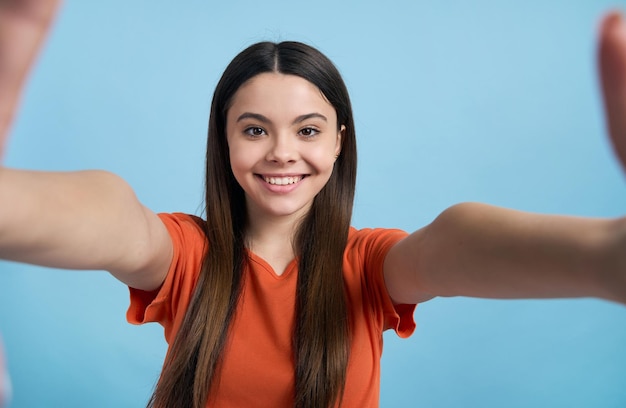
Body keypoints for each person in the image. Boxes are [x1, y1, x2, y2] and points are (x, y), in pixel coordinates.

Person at [1, 1, 625, 407]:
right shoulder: (185, 257)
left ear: (338, 141)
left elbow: (452, 247)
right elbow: (113, 220)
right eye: (253, 130)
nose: (281, 153)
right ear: (224, 140)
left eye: (306, 130)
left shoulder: (370, 267)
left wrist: (604, 258)